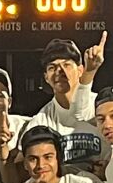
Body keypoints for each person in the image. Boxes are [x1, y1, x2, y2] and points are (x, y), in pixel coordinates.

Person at [21, 36, 108, 175]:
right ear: (46, 77)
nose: (59, 71)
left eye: (66, 65)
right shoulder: (41, 121)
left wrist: (112, 170)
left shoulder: (103, 105)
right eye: (52, 67)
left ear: (80, 70)